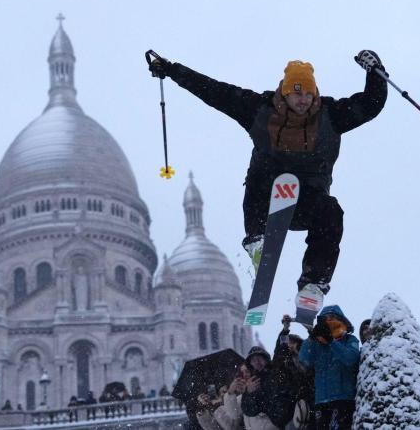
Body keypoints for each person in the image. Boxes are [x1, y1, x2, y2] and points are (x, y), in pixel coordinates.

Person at [148, 51, 388, 294]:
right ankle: (257, 241)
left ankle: (313, 283)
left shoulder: (331, 114)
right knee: (261, 169)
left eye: (308, 93)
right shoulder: (259, 109)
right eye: (297, 93)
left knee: (332, 210)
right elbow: (215, 91)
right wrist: (172, 70)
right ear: (285, 92)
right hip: (267, 200)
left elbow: (370, 105)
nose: (303, 100)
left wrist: (376, 71)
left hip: (306, 204)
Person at [299, 305, 360, 430]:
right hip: (321, 401)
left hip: (343, 400)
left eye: (332, 317)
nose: (329, 321)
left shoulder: (349, 339)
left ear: (342, 320)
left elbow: (350, 359)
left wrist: (331, 342)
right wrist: (311, 337)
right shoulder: (317, 343)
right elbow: (304, 359)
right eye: (325, 318)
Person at [242, 346, 297, 429]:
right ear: (250, 364)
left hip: (290, 422)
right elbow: (249, 411)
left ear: (266, 359)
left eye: (259, 358)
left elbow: (288, 394)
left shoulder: (278, 373)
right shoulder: (253, 382)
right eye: (253, 360)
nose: (257, 362)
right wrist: (249, 393)